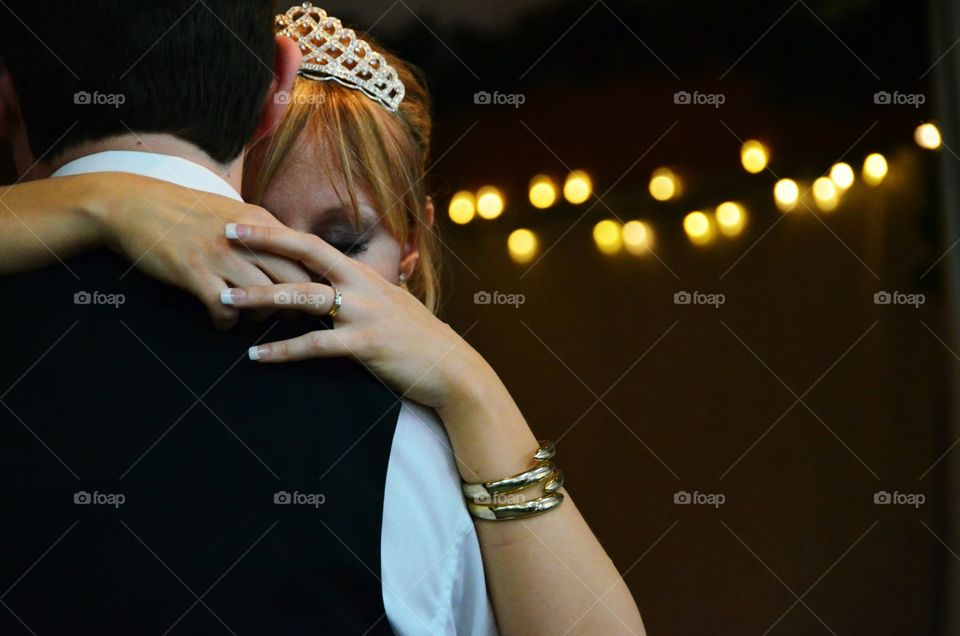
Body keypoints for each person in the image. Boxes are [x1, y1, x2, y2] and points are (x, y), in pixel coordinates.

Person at [0, 3, 646, 634]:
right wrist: (103, 200)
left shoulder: (424, 444)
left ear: (411, 247)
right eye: (253, 232)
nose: (296, 278)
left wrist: (476, 390)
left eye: (342, 243)